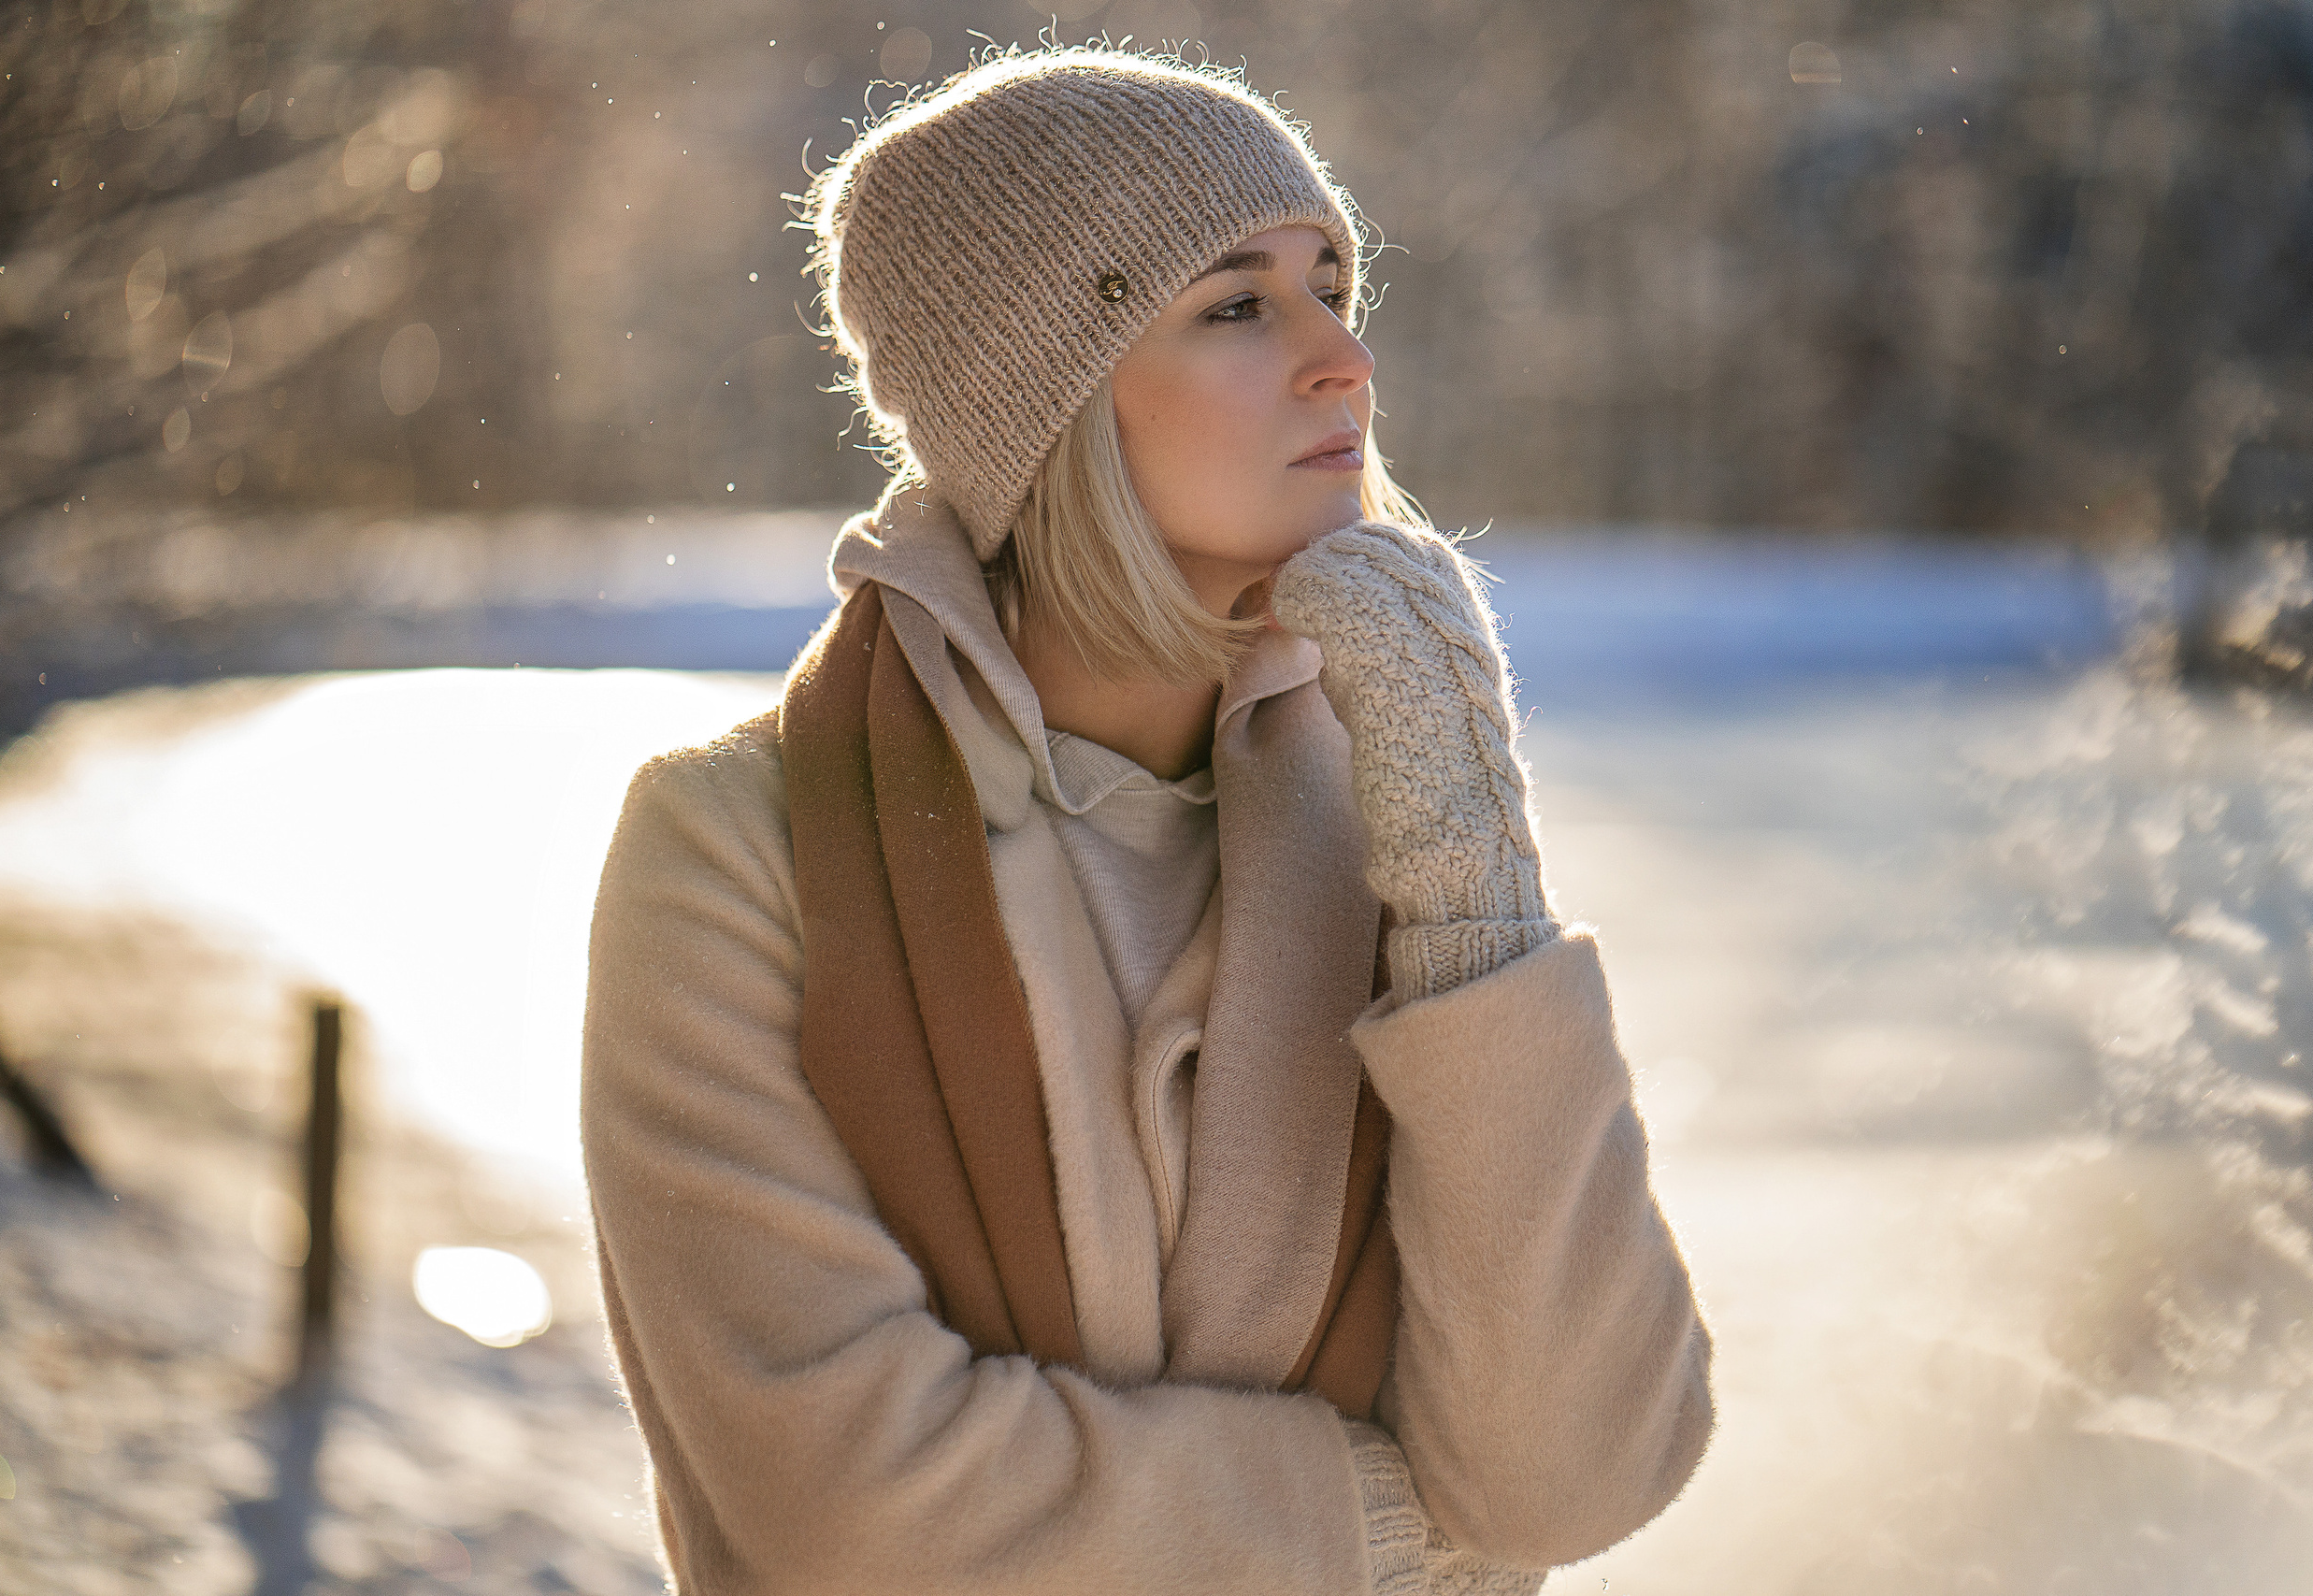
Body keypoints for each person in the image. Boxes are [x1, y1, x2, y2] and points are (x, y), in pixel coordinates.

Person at [581, 48, 1712, 1596]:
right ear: (1039, 397)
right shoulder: (732, 855)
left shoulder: (1397, 811)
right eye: (1238, 304)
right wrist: (1378, 1530)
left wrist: (1474, 879)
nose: (1344, 361)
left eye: (1332, 282)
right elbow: (858, 1510)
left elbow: (1573, 1478)